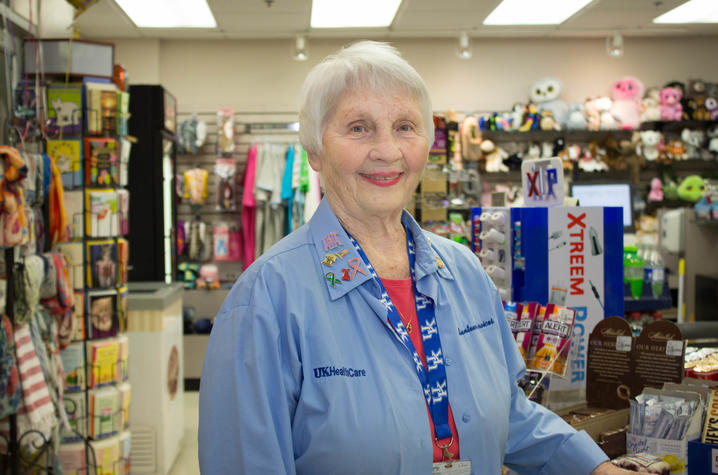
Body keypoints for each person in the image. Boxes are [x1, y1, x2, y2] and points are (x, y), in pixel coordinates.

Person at [198, 41, 632, 474]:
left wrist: (595, 468)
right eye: (358, 128)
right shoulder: (265, 300)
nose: (387, 151)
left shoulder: (463, 271)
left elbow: (511, 416)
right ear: (314, 151)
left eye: (405, 126)